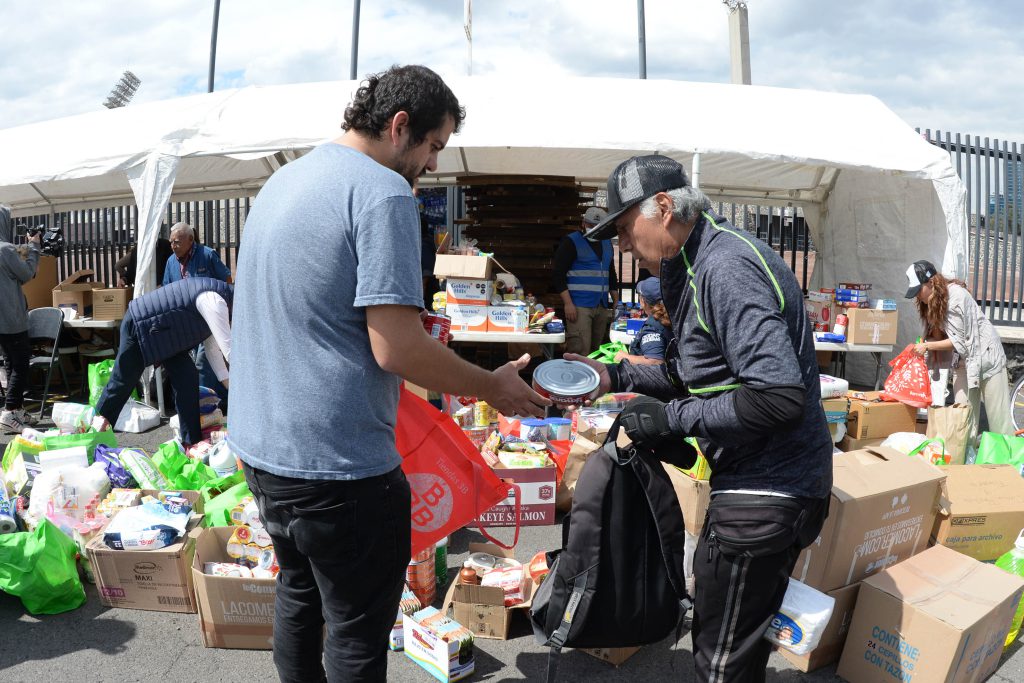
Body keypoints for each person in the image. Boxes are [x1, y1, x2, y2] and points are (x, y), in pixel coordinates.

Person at [226, 65, 549, 683]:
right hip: (337, 464)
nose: (431, 164)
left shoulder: (285, 180)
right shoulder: (383, 193)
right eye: (433, 146)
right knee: (355, 632)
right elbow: (394, 348)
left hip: (264, 449)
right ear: (401, 127)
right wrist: (492, 386)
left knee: (299, 595)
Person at [568, 155, 832, 682]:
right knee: (735, 642)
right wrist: (614, 378)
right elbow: (696, 372)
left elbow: (779, 396)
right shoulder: (693, 261)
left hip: (769, 488)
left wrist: (670, 420)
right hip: (756, 481)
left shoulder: (725, 268)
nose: (620, 245)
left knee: (720, 660)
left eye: (623, 229)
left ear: (663, 208)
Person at [92, 277, 232, 447]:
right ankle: (92, 438)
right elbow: (229, 352)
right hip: (141, 325)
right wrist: (240, 393)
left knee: (187, 378)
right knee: (121, 384)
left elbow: (213, 351)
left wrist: (231, 387)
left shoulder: (219, 299)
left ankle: (192, 444)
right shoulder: (215, 302)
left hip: (167, 335)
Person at [905, 260, 1012, 437]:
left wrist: (926, 345)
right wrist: (923, 342)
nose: (918, 296)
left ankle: (1010, 463)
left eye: (918, 291)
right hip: (964, 361)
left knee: (999, 423)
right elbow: (941, 336)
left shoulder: (956, 296)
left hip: (987, 358)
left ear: (931, 282)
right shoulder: (932, 302)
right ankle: (966, 460)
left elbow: (959, 341)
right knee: (962, 419)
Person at [162, 222, 232, 414]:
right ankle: (215, 401)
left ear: (190, 240)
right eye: (171, 243)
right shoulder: (171, 262)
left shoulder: (207, 255)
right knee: (195, 363)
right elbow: (167, 289)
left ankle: (206, 406)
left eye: (176, 242)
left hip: (209, 319)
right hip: (186, 322)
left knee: (206, 360)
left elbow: (226, 281)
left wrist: (226, 312)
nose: (173, 246)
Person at [552, 206, 619, 355]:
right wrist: (568, 303)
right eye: (590, 225)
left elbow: (611, 273)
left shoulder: (607, 243)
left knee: (596, 352)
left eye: (597, 226)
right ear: (583, 223)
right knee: (580, 350)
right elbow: (558, 274)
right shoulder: (571, 242)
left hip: (601, 305)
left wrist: (616, 301)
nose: (592, 228)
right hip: (578, 306)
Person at [0, 206, 41, 433]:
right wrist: (34, 246)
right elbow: (26, 273)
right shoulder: (4, 249)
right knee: (21, 365)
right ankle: (10, 410)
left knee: (10, 363)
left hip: (1, 322)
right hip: (11, 319)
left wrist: (24, 248)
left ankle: (17, 410)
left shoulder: (6, 250)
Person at [613, 276, 673, 366]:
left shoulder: (652, 328)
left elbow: (655, 361)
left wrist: (625, 357)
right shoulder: (672, 317)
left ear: (642, 301)